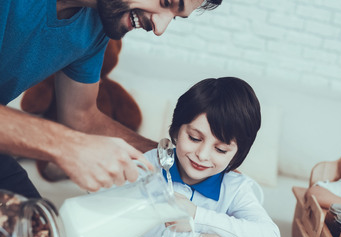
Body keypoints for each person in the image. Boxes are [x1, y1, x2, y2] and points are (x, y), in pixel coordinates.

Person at [0, 0, 222, 198]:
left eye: (175, 17)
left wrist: (174, 161)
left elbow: (82, 117)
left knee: (42, 232)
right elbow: (74, 133)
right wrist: (66, 144)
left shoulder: (95, 26)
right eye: (166, 2)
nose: (160, 28)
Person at [140, 77, 282, 237]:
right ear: (176, 130)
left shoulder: (235, 188)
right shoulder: (151, 165)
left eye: (221, 149)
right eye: (194, 138)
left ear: (237, 154)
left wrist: (197, 216)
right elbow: (132, 220)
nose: (202, 155)